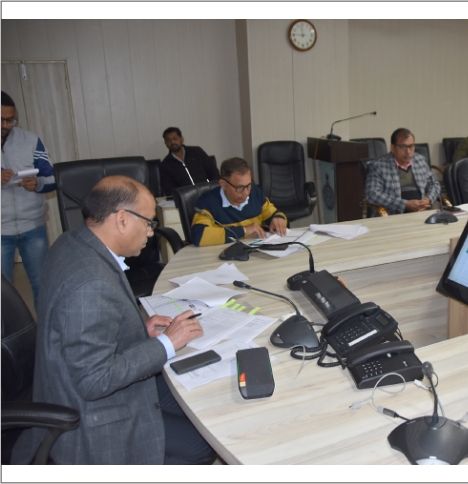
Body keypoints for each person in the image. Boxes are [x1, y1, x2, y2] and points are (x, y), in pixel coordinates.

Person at [12, 176, 214, 465]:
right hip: (90, 416)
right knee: (199, 445)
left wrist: (137, 330)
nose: (150, 233)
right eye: (148, 222)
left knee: (197, 403)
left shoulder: (72, 242)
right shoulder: (91, 283)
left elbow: (83, 329)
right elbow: (94, 381)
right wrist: (167, 344)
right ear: (122, 220)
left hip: (67, 381)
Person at [1, 91, 56, 307]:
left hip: (33, 227)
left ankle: (45, 327)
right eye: (1, 120)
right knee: (3, 291)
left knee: (42, 284)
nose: (5, 125)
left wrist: (38, 183)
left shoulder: (31, 140)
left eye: (10, 120)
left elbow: (53, 177)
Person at [191, 157, 287, 246]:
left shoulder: (255, 194)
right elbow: (198, 236)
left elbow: (275, 214)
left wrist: (279, 219)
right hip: (223, 253)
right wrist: (244, 231)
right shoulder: (208, 202)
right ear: (223, 184)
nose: (246, 192)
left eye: (249, 185)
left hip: (255, 249)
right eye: (239, 187)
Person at [364, 128, 441, 215]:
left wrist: (428, 199)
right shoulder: (378, 165)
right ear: (393, 147)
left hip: (422, 211)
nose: (408, 151)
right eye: (403, 147)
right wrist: (405, 204)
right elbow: (372, 194)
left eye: (411, 146)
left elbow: (434, 184)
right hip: (395, 213)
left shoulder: (420, 160)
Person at [160, 127, 220, 197]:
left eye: (175, 138)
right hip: (186, 198)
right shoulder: (165, 165)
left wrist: (213, 190)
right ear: (165, 143)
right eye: (169, 140)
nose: (172, 142)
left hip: (208, 193)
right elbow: (169, 189)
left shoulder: (197, 152)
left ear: (182, 139)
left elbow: (213, 172)